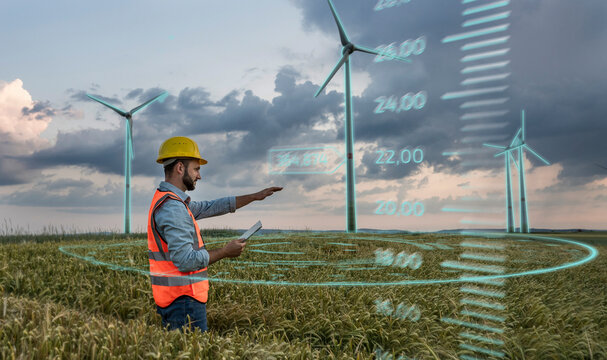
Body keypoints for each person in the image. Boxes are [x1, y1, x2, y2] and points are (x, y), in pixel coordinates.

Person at [147, 136, 282, 332]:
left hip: (176, 298)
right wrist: (225, 252)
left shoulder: (169, 201)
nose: (199, 176)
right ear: (179, 168)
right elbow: (185, 260)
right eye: (196, 169)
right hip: (184, 300)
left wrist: (254, 197)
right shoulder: (173, 208)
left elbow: (210, 207)